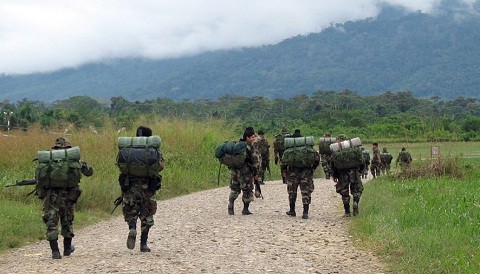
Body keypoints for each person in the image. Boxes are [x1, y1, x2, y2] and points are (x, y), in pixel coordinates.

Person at [42, 137, 93, 259]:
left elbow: (40, 178)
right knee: (67, 221)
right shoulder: (74, 161)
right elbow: (89, 172)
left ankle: (55, 252)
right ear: (68, 148)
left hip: (52, 196)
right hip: (69, 196)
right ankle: (67, 249)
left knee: (52, 222)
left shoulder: (49, 160)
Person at [120, 126, 165, 252]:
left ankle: (132, 227)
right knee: (147, 215)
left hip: (130, 186)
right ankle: (143, 244)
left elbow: (121, 166)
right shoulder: (152, 149)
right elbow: (160, 166)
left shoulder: (128, 149)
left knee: (131, 211)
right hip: (148, 187)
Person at [283, 133, 320, 219]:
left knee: (292, 192)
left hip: (293, 172)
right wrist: (312, 168)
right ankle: (305, 212)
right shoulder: (308, 149)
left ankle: (292, 210)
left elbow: (284, 162)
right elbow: (317, 159)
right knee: (306, 192)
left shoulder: (289, 150)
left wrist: (284, 171)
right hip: (306, 172)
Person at [228, 127, 260, 215]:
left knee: (235, 188)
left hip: (235, 171)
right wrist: (256, 173)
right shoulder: (249, 147)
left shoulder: (238, 145)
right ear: (247, 137)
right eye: (252, 137)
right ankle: (245, 209)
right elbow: (255, 161)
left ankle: (231, 204)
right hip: (245, 173)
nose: (254, 139)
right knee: (247, 190)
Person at [331, 134, 364, 217]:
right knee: (357, 189)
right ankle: (355, 202)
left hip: (343, 173)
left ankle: (347, 212)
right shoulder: (353, 148)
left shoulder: (337, 151)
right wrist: (360, 171)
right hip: (354, 172)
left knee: (344, 192)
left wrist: (335, 175)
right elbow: (362, 161)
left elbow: (333, 164)